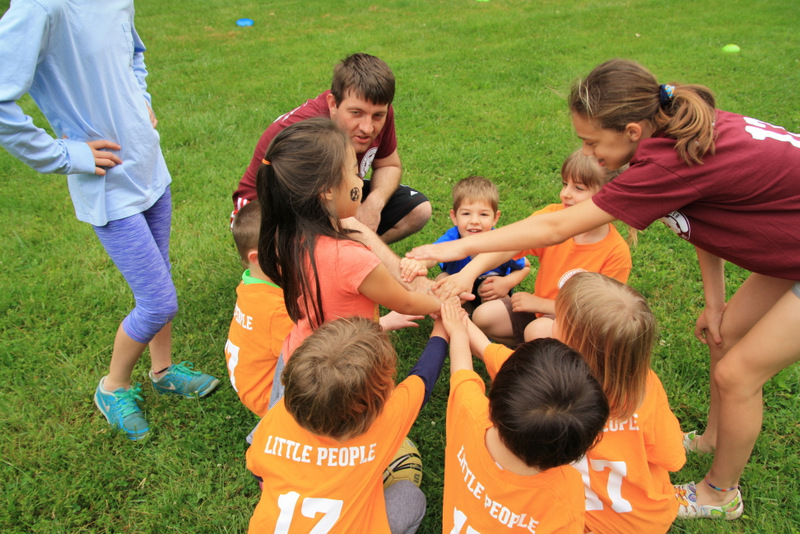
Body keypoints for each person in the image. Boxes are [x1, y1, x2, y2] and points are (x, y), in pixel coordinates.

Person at [406, 58, 800, 520]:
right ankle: (713, 438)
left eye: (592, 142)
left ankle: (720, 491)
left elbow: (553, 227)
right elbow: (703, 217)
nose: (590, 154)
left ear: (632, 130)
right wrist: (716, 304)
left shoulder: (668, 162)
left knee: (738, 374)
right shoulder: (685, 134)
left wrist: (446, 253)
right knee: (724, 331)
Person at [0, 0, 218, 441]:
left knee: (162, 276)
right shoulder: (39, 9)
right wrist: (68, 155)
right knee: (158, 301)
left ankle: (163, 370)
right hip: (106, 183)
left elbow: (134, 54)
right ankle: (112, 385)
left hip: (149, 168)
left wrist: (141, 98)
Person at [257, 117, 443, 404]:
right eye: (354, 173)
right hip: (340, 373)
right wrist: (442, 302)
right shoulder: (351, 257)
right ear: (327, 190)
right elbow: (406, 301)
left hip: (298, 360)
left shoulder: (290, 238)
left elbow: (334, 305)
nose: (360, 182)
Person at [246, 316, 449, 533]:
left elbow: (259, 473)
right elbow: (424, 376)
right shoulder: (384, 423)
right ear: (377, 399)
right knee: (410, 496)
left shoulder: (279, 414)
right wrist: (443, 325)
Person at [225, 200, 424, 418]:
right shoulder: (278, 311)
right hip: (275, 399)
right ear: (259, 257)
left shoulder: (253, 286)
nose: (309, 250)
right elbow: (319, 355)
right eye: (296, 246)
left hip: (253, 382)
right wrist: (380, 324)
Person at [438, 300, 608, 533]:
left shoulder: (470, 413)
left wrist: (457, 330)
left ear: (496, 392)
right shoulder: (565, 491)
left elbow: (462, 370)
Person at [434, 151, 631, 346]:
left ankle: (551, 358)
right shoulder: (554, 216)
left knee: (538, 330)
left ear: (609, 195)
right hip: (537, 314)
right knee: (485, 316)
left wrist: (541, 304)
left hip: (576, 328)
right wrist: (469, 273)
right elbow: (510, 244)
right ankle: (535, 349)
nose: (565, 194)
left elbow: (598, 316)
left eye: (578, 188)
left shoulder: (616, 252)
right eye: (565, 184)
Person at [233, 53, 431, 244]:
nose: (368, 127)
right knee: (322, 241)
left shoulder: (379, 111)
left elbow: (389, 165)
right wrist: (350, 223)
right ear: (333, 104)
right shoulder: (309, 133)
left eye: (378, 115)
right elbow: (302, 205)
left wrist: (373, 204)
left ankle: (357, 258)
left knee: (419, 210)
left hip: (334, 193)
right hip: (267, 212)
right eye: (356, 113)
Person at [556, 273, 685, 533]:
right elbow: (673, 458)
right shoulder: (647, 386)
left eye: (557, 321)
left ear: (574, 342)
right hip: (648, 522)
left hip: (583, 520)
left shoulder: (555, 385)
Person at [399, 175, 530, 314]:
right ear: (454, 217)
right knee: (441, 280)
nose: (474, 221)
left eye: (484, 215)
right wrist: (420, 263)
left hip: (491, 293)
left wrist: (506, 283)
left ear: (495, 218)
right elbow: (434, 254)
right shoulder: (452, 238)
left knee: (489, 288)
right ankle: (461, 319)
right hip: (459, 290)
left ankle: (490, 328)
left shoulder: (501, 242)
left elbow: (525, 267)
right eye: (466, 213)